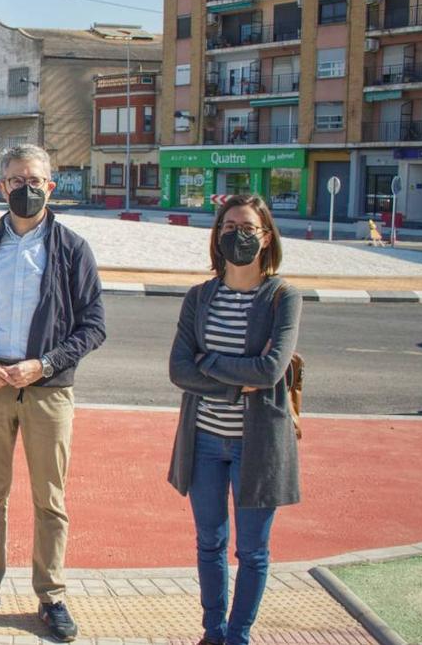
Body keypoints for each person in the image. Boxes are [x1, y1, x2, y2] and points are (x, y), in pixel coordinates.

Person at [0, 144, 107, 642]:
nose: (26, 188)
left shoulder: (72, 248)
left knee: (50, 500)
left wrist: (46, 364)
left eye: (34, 179)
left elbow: (94, 325)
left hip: (48, 391)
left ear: (50, 186)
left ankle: (51, 595)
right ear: (2, 187)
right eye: (16, 180)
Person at [167, 193, 302, 645]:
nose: (237, 236)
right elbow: (178, 370)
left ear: (266, 238)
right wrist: (230, 381)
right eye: (228, 228)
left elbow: (270, 370)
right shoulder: (200, 296)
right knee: (209, 543)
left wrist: (207, 360)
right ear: (216, 235)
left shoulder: (282, 297)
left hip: (258, 443)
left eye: (247, 228)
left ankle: (238, 636)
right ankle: (213, 631)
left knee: (252, 550)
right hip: (205, 439)